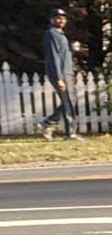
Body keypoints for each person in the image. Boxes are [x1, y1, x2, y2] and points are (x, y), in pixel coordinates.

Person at [40, 8, 80, 140]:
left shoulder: (61, 35)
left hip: (67, 72)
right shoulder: (51, 34)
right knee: (68, 102)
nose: (61, 20)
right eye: (57, 18)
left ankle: (48, 122)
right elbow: (53, 57)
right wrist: (59, 78)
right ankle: (70, 133)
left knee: (70, 100)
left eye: (63, 18)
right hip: (61, 73)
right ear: (51, 20)